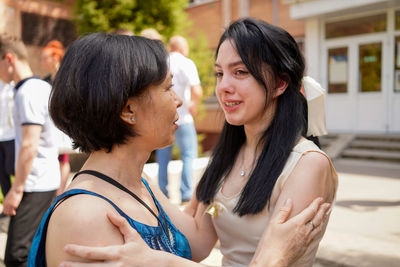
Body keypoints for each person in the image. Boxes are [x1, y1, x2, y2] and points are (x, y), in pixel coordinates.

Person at [27, 33, 330, 267]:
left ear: (279, 84)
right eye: (168, 88)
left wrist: (221, 189)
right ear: (128, 109)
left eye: (240, 72)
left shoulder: (139, 184)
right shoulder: (85, 215)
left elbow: (196, 240)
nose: (179, 101)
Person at [0, 35, 61, 267]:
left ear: (9, 59)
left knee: (17, 255)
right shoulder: (37, 87)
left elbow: (29, 144)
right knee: (34, 251)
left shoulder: (29, 92)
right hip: (41, 180)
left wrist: (16, 190)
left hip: (36, 182)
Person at [156, 35, 203, 202]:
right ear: (183, 48)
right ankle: (186, 193)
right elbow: (197, 90)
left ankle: (162, 192)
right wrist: (194, 106)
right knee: (189, 155)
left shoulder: (162, 63)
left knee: (163, 157)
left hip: (163, 119)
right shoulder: (186, 63)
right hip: (183, 119)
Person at [41, 40, 70, 195]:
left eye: (45, 58)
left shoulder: (65, 78)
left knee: (63, 156)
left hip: (61, 120)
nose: (43, 62)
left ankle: (60, 191)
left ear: (55, 58)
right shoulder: (44, 80)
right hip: (48, 120)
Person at [0, 79, 15, 198]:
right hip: (1, 135)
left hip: (12, 135)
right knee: (1, 172)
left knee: (12, 168)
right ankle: (6, 199)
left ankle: (19, 198)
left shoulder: (14, 85)